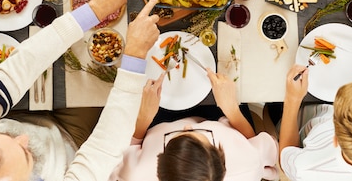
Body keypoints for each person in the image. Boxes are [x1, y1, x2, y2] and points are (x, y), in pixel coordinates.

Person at [0, 0, 161, 181]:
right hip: (73, 145)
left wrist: (93, 11)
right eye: (24, 153)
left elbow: (16, 71)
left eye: (5, 137)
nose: (22, 138)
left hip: (24, 115)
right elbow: (104, 148)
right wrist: (134, 56)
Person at [108, 68, 278, 181]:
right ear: (221, 159)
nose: (187, 127)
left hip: (156, 121)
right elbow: (256, 142)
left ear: (159, 166)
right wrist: (231, 108)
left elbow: (126, 146)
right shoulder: (247, 165)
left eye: (180, 135)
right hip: (217, 115)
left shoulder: (134, 175)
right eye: (205, 139)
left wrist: (144, 117)